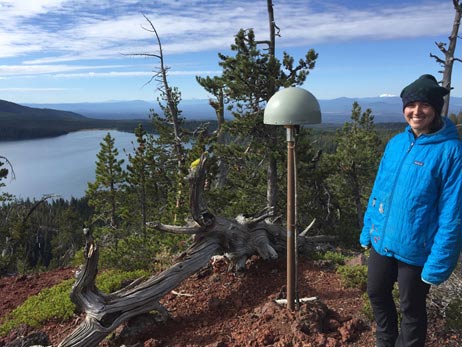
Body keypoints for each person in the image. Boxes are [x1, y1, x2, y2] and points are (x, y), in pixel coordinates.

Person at [360, 74, 462, 347]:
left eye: (425, 104)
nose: (417, 111)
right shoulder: (396, 144)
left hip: (418, 249)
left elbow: (453, 214)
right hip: (383, 240)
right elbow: (378, 191)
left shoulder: (451, 152)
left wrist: (439, 261)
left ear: (437, 108)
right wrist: (368, 228)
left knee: (411, 309)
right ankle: (385, 342)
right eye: (411, 104)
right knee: (377, 293)